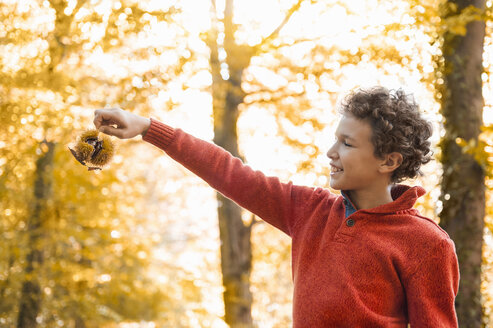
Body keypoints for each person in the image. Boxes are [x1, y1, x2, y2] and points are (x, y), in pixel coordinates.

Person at [93, 86, 459, 327]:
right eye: (335, 139)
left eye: (347, 144)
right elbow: (229, 172)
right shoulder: (309, 210)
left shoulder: (427, 244)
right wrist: (147, 128)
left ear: (388, 161)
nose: (331, 152)